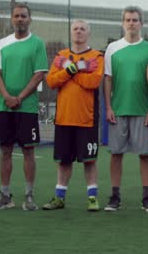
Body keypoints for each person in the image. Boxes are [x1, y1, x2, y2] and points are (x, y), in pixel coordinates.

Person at [0, 3, 48, 210]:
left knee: (28, 151)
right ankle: (5, 195)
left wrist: (19, 97)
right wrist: (6, 96)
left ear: (29, 19)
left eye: (24, 16)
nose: (20, 19)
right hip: (5, 107)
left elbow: (39, 73)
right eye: (17, 16)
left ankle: (29, 196)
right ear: (12, 19)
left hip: (26, 108)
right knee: (5, 151)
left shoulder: (37, 44)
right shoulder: (2, 43)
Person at [43, 19, 104, 211]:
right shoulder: (61, 55)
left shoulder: (97, 57)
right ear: (71, 33)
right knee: (63, 161)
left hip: (87, 119)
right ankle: (59, 197)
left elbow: (92, 82)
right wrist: (77, 68)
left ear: (88, 33)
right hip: (64, 118)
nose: (79, 32)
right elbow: (51, 81)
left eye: (83, 29)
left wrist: (70, 68)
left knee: (89, 161)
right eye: (76, 29)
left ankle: (92, 198)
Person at [103, 7, 148, 212]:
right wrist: (108, 107)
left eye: (135, 20)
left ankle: (147, 197)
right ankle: (115, 196)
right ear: (122, 23)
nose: (131, 23)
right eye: (128, 20)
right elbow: (108, 79)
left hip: (143, 111)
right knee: (116, 154)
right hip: (118, 110)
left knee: (145, 155)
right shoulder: (112, 49)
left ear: (141, 23)